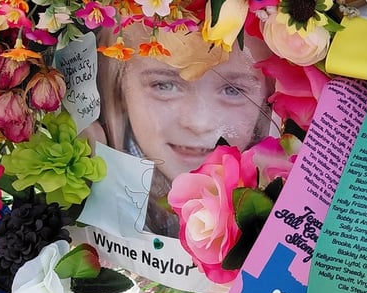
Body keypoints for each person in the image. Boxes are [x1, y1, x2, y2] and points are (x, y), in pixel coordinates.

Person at [85, 24, 277, 236]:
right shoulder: (89, 181)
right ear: (119, 87)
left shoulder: (281, 191)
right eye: (164, 85)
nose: (198, 123)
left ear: (269, 96)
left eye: (233, 90)